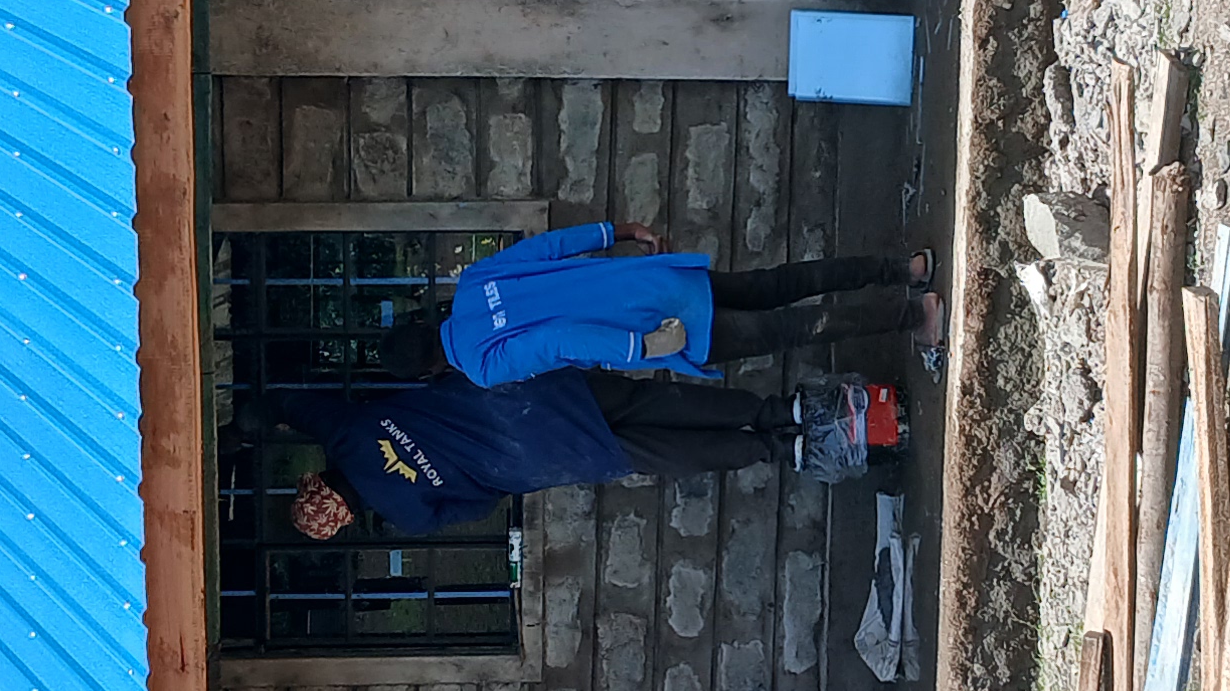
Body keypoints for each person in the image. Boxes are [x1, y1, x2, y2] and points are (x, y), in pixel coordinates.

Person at [277, 368, 837, 541]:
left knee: (666, 451)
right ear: (318, 477)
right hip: (534, 401)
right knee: (659, 401)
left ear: (345, 518)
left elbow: (482, 506)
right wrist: (249, 424)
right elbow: (295, 403)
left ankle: (774, 446)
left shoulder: (408, 516)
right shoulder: (348, 431)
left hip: (541, 457)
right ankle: (777, 409)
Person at [445, 224, 939, 387]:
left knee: (794, 328)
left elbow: (556, 341)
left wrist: (642, 348)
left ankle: (917, 315)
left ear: (430, 371)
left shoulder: (482, 366)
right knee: (781, 282)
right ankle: (906, 269)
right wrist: (620, 231)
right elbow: (548, 246)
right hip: (654, 280)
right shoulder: (473, 282)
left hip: (660, 326)